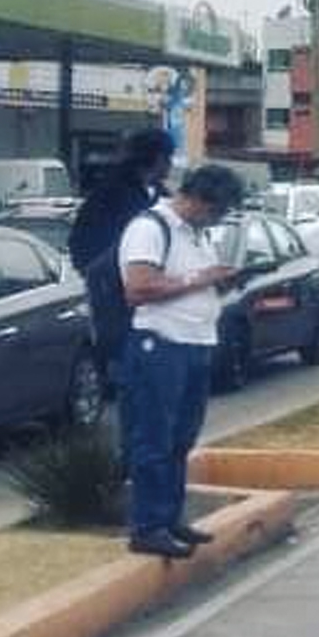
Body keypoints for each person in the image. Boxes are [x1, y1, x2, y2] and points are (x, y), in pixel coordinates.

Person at [118, 165, 245, 559]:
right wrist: (201, 279)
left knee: (181, 438)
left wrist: (220, 280)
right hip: (161, 343)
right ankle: (147, 526)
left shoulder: (196, 233)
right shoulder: (151, 227)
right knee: (153, 438)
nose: (219, 218)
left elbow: (194, 279)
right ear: (198, 199)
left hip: (196, 343)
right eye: (218, 210)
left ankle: (169, 517)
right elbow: (138, 288)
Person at [69, 128, 174, 269]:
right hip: (116, 282)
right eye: (167, 157)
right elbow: (81, 243)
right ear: (155, 157)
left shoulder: (163, 195)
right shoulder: (110, 194)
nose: (170, 164)